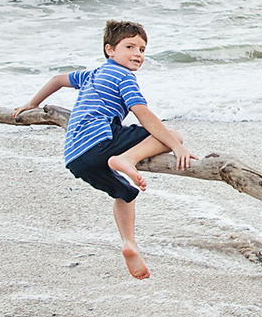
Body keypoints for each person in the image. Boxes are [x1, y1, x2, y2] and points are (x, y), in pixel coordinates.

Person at [15, 20, 197, 280]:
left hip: (76, 157)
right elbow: (142, 114)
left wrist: (31, 103)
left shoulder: (92, 74)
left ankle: (129, 243)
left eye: (142, 50)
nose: (137, 54)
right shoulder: (124, 76)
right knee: (174, 134)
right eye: (130, 47)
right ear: (110, 50)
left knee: (126, 194)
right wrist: (177, 146)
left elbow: (57, 80)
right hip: (101, 141)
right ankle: (126, 159)